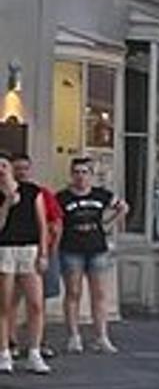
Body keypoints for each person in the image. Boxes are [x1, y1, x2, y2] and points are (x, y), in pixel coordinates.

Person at [56, 158, 127, 354]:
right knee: (73, 292)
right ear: (71, 175)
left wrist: (109, 225)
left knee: (99, 294)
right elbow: (56, 222)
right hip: (71, 249)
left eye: (84, 172)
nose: (80, 176)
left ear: (91, 175)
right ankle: (74, 336)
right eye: (77, 172)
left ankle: (101, 336)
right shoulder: (62, 197)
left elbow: (122, 207)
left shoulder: (101, 195)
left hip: (97, 248)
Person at [1, 153, 51, 375]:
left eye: (3, 165)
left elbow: (42, 225)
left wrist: (44, 253)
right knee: (4, 303)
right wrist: (6, 204)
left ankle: (34, 352)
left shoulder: (32, 191)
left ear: (10, 168)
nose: (1, 170)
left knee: (35, 303)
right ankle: (4, 352)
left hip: (29, 248)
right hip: (5, 248)